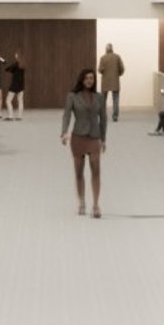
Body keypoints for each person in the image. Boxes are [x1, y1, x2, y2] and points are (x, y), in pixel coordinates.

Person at [60, 67, 110, 217]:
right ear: (82, 79)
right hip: (78, 138)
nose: (89, 81)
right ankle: (81, 202)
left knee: (96, 170)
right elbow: (66, 115)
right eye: (87, 78)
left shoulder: (100, 97)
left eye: (92, 78)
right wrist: (64, 132)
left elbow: (104, 118)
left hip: (94, 137)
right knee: (79, 172)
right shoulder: (72, 96)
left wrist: (104, 138)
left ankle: (96, 205)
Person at [98, 42, 125, 123]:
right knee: (115, 99)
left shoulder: (103, 58)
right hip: (115, 81)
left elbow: (99, 70)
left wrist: (103, 71)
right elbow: (122, 68)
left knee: (103, 100)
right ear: (112, 49)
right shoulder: (117, 57)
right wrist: (118, 74)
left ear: (106, 49)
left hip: (105, 82)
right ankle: (115, 116)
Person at [4, 53, 26, 120]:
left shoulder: (15, 64)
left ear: (17, 57)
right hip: (21, 84)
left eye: (16, 55)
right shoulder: (23, 64)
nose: (15, 56)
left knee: (8, 100)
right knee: (20, 101)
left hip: (14, 84)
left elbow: (7, 69)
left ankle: (10, 116)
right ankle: (20, 116)